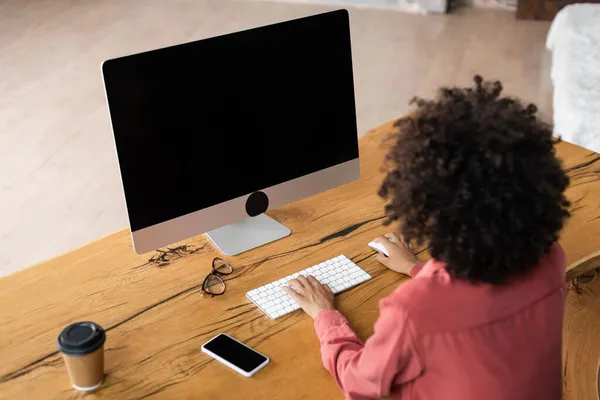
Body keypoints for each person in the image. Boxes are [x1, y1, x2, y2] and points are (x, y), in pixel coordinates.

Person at [282, 76, 570, 400]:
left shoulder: (414, 311)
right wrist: (418, 270)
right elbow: (476, 301)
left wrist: (325, 315)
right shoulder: (551, 257)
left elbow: (359, 383)